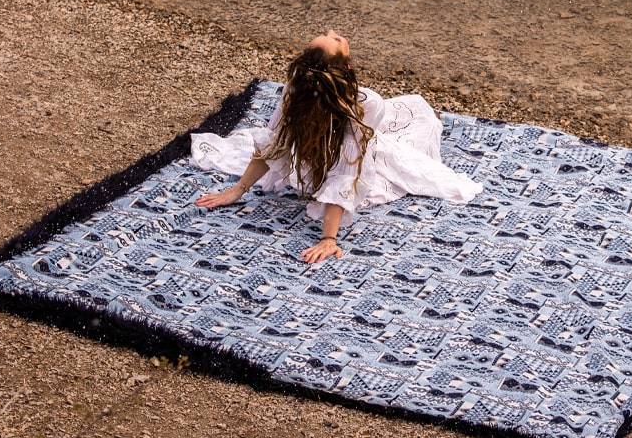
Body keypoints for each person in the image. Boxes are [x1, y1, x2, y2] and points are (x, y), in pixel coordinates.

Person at [194, 30, 482, 263]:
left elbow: (346, 151)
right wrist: (328, 238)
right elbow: (285, 147)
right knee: (422, 123)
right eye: (334, 39)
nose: (334, 32)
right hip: (330, 157)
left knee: (415, 107)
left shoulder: (360, 102)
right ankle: (431, 119)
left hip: (355, 133)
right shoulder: (301, 89)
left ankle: (428, 116)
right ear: (346, 67)